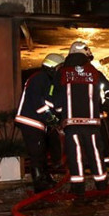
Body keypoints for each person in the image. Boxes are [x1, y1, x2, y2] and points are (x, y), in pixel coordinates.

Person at [49, 41, 109, 199]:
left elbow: (54, 96)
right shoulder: (94, 71)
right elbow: (108, 90)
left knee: (75, 155)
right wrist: (104, 107)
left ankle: (78, 188)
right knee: (95, 154)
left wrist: (59, 115)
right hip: (92, 123)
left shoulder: (62, 73)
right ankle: (102, 184)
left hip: (71, 124)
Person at [15, 53, 64, 193]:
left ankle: (45, 178)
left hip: (37, 122)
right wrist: (51, 118)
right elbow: (39, 103)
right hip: (30, 121)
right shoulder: (39, 78)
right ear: (53, 67)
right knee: (36, 154)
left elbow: (49, 101)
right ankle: (39, 183)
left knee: (41, 152)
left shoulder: (47, 80)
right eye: (60, 67)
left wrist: (55, 117)